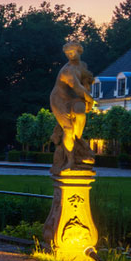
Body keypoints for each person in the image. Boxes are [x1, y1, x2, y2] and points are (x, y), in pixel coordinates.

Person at [49, 41, 94, 173]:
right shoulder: (68, 70)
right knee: (68, 129)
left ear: (79, 51)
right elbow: (78, 88)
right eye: (67, 54)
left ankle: (78, 140)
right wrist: (90, 100)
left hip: (73, 97)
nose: (69, 55)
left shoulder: (82, 66)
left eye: (72, 52)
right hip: (59, 99)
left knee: (80, 113)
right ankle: (70, 160)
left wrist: (88, 83)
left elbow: (84, 84)